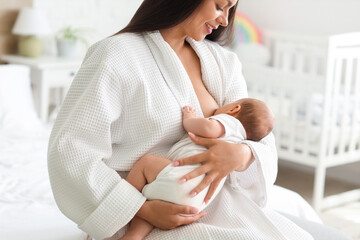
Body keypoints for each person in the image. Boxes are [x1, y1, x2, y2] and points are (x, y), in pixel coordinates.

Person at [48, 0, 351, 239]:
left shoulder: (223, 62)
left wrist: (242, 154)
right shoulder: (115, 55)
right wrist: (142, 209)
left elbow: (257, 133)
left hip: (211, 201)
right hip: (142, 211)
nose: (223, 20)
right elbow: (72, 151)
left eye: (230, 10)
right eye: (220, 6)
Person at [121, 98, 275, 240]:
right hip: (196, 200)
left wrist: (190, 118)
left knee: (146, 163)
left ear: (234, 109)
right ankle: (134, 236)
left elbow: (208, 129)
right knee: (155, 203)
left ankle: (128, 202)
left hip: (181, 178)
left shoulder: (230, 124)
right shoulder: (239, 140)